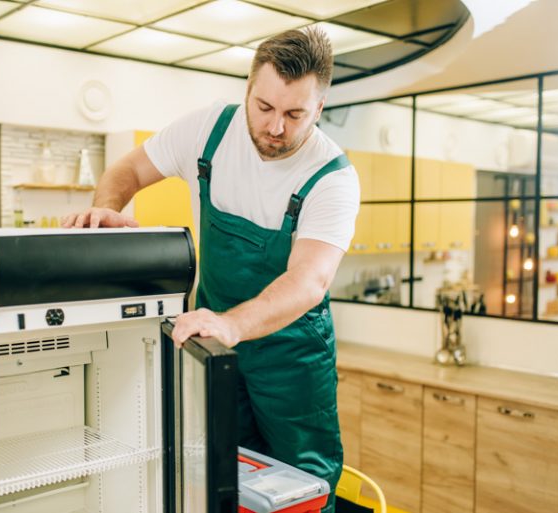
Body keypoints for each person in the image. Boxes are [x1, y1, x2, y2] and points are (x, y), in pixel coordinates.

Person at [64, 26, 359, 513]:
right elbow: (128, 171)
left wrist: (232, 324)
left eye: (294, 114)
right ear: (247, 90)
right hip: (215, 344)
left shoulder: (331, 177)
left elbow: (309, 280)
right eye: (264, 108)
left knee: (302, 489)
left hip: (292, 358)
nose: (276, 128)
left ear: (319, 110)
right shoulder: (210, 131)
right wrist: (109, 211)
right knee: (222, 473)